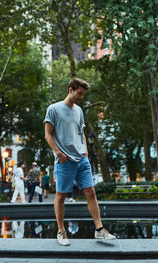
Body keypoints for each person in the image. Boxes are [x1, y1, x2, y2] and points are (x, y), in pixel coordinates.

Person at [44, 77, 116, 246]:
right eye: (79, 93)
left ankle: (99, 230)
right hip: (64, 160)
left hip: (81, 159)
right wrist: (58, 153)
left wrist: (84, 151)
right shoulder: (53, 109)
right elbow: (47, 134)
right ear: (70, 89)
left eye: (83, 94)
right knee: (61, 195)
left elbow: (80, 132)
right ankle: (61, 231)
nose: (81, 97)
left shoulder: (79, 111)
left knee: (90, 191)